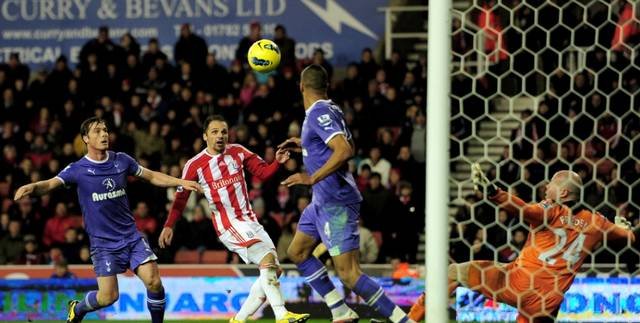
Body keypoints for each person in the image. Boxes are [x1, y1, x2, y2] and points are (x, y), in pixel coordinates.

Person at [13, 117, 201, 323]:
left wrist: (181, 182)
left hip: (131, 237)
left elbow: (152, 176)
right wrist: (32, 187)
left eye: (105, 130)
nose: (104, 134)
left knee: (155, 282)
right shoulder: (78, 169)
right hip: (104, 245)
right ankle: (79, 307)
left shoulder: (121, 160)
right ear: (85, 138)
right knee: (108, 297)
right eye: (97, 131)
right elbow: (49, 185)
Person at [407, 165, 637, 323]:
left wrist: (494, 193)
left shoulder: (551, 209)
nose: (547, 187)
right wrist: (623, 227)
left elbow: (524, 210)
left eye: (552, 184)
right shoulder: (596, 221)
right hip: (548, 301)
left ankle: (409, 320)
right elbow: (630, 236)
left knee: (453, 272)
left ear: (564, 192)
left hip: (519, 283)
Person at [279, 65, 414, 323]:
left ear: (301, 86)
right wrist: (303, 144)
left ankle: (403, 321)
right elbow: (338, 144)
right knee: (297, 251)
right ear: (326, 86)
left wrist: (311, 177)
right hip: (321, 201)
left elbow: (343, 150)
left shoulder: (319, 112)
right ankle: (340, 310)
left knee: (349, 274)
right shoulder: (329, 109)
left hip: (335, 201)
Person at [158, 115, 310, 323]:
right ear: (205, 136)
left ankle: (238, 320)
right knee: (267, 262)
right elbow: (181, 198)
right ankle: (282, 315)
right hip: (228, 225)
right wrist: (169, 225)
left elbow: (263, 173)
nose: (220, 136)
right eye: (214, 132)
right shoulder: (195, 165)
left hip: (249, 220)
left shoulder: (238, 151)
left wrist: (277, 162)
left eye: (224, 132)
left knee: (274, 270)